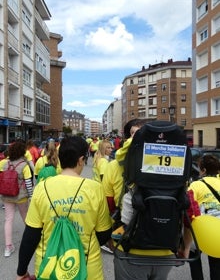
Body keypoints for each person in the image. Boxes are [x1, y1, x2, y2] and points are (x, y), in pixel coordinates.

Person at [16, 136, 112, 280]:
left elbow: (31, 234)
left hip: (48, 267)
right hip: (86, 268)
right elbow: (103, 234)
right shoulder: (95, 189)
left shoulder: (42, 187)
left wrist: (21, 271)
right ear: (81, 160)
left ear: (60, 159)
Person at [102, 119, 174, 280]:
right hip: (165, 244)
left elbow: (109, 204)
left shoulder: (114, 166)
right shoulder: (173, 165)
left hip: (131, 246)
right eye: (135, 133)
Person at [180, 155, 220, 280]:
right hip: (218, 232)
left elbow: (189, 213)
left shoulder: (195, 185)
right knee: (216, 265)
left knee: (194, 259)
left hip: (200, 232)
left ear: (203, 170)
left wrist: (185, 246)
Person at [1, 141, 33, 258]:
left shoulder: (4, 164)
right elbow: (29, 183)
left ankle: (8, 247)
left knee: (8, 220)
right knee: (27, 219)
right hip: (20, 196)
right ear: (22, 152)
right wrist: (31, 196)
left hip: (7, 195)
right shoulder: (24, 165)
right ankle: (31, 242)